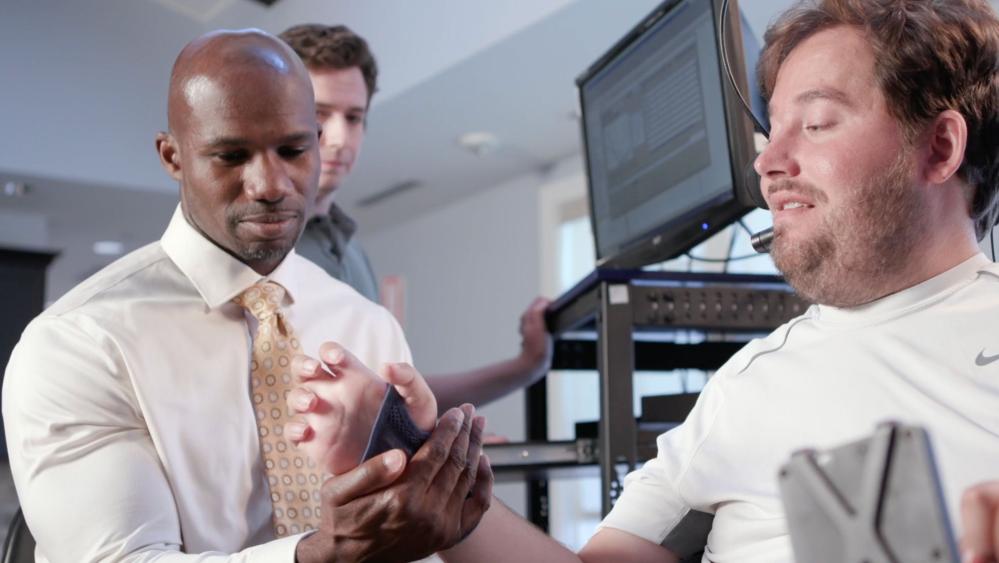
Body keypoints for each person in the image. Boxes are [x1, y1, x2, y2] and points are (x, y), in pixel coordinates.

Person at [292, 1, 999, 561]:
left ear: (937, 147)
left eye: (814, 123)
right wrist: (432, 486)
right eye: (770, 128)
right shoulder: (747, 380)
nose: (767, 161)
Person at [2, 29, 490, 562]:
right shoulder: (78, 345)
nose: (270, 184)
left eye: (293, 150)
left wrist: (435, 493)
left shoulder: (369, 327)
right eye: (232, 155)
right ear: (173, 156)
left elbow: (402, 533)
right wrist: (320, 554)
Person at [279, 24, 552, 411]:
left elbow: (393, 397)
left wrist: (524, 369)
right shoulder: (259, 249)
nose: (340, 137)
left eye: (354, 117)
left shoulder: (353, 253)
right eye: (320, 114)